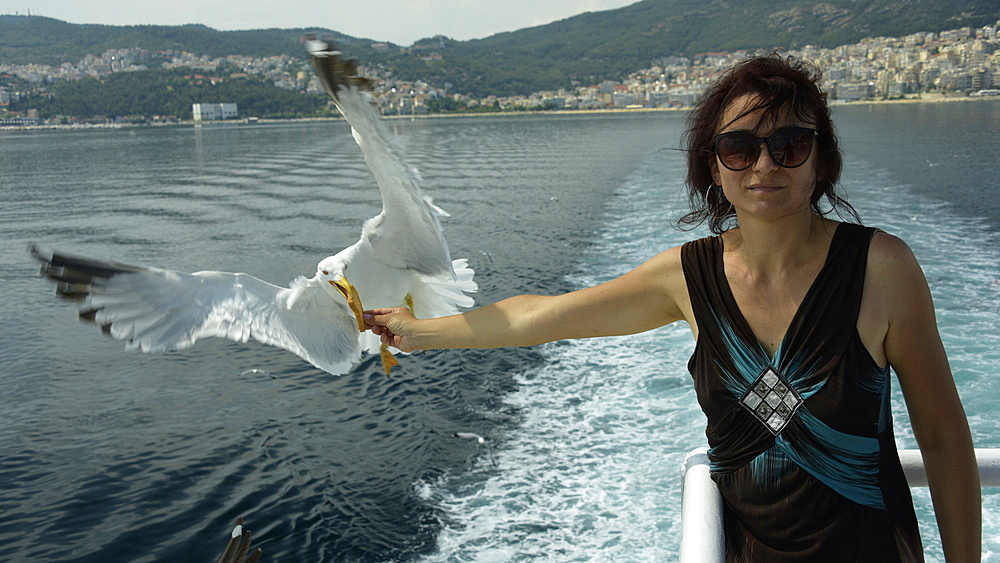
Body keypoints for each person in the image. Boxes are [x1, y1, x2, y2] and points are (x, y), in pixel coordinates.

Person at [363, 54, 981, 562]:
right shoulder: (687, 278)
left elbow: (944, 438)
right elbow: (541, 316)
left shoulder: (882, 269)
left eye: (790, 143)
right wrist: (419, 332)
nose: (765, 164)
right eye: (740, 147)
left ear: (821, 161)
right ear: (714, 166)